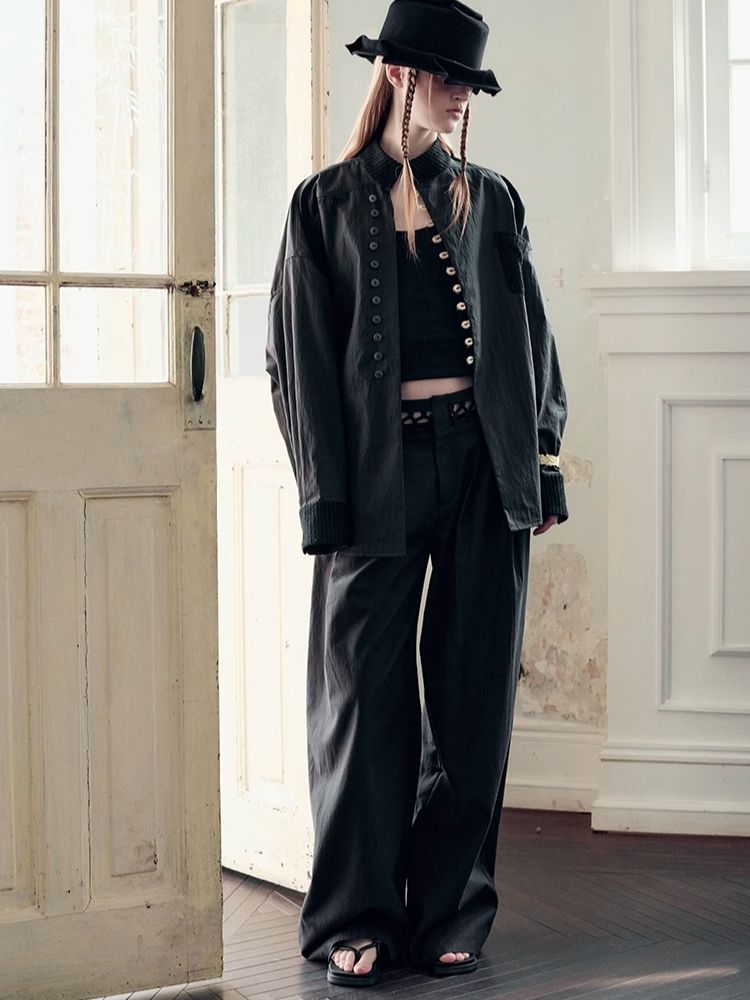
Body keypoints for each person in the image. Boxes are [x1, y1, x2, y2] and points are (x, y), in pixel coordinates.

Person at [265, 0, 570, 986]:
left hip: (483, 464)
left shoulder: (492, 199)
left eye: (470, 84)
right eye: (447, 78)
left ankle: (451, 910)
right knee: (364, 698)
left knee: (474, 696)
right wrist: (324, 496)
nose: (461, 97)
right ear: (399, 73)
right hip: (376, 474)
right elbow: (295, 361)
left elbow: (533, 339)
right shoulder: (322, 204)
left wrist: (542, 461)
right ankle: (355, 915)